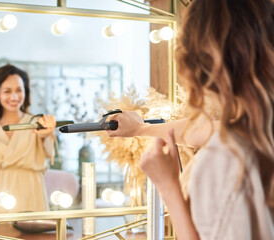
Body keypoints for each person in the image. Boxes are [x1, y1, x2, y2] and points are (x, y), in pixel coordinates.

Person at [108, 0, 274, 239]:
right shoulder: (259, 132)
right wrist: (140, 128)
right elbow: (204, 130)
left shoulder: (224, 160)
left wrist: (168, 186)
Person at [0, 64, 56, 214]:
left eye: (19, 90)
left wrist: (46, 135)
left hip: (30, 197)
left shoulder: (38, 124)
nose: (14, 97)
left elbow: (49, 151)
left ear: (25, 92)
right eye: (7, 91)